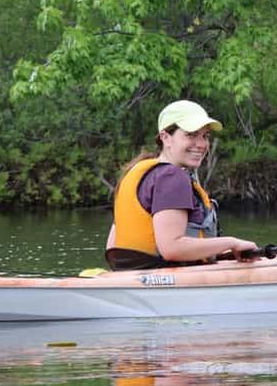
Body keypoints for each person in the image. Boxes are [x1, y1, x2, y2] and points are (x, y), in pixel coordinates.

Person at [105, 100, 258, 270]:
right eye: (191, 135)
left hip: (128, 274)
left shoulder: (138, 173)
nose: (201, 144)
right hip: (165, 279)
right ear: (165, 137)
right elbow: (172, 248)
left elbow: (112, 247)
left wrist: (223, 251)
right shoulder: (173, 177)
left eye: (205, 136)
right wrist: (232, 243)